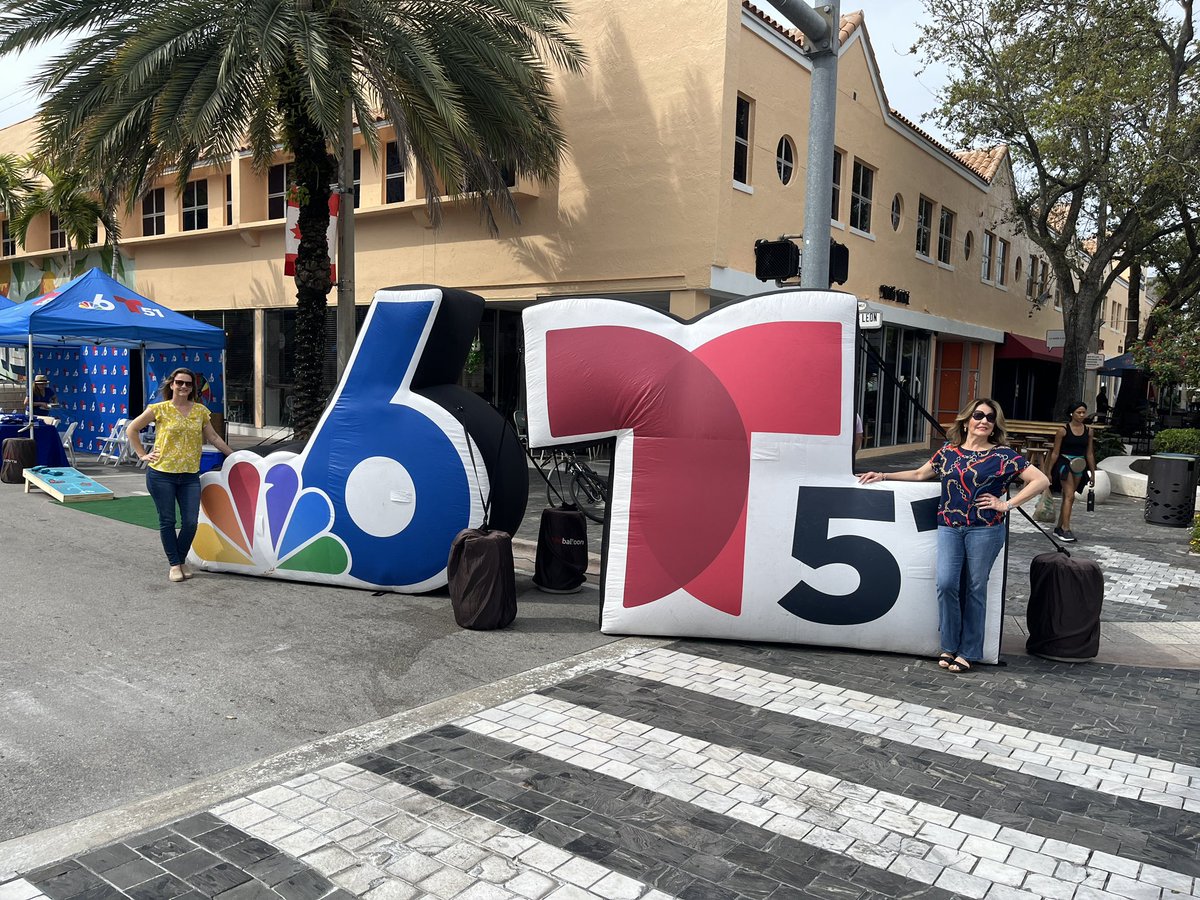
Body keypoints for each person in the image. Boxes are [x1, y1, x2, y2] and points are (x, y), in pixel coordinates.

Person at [858, 398, 1048, 673]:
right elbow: (920, 473)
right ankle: (949, 645)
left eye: (990, 418)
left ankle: (969, 650)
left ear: (995, 425)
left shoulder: (1003, 456)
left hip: (985, 529)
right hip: (949, 525)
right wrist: (884, 475)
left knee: (975, 588)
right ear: (967, 420)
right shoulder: (948, 452)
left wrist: (1006, 504)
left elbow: (1041, 480)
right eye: (979, 415)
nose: (984, 421)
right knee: (946, 584)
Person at [127, 367, 234, 583]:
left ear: (192, 388)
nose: (183, 386)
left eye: (188, 383)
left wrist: (234, 456)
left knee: (190, 522)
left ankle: (180, 558)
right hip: (161, 474)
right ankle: (175, 564)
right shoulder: (159, 409)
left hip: (189, 476)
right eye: (179, 382)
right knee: (167, 520)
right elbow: (132, 429)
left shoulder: (200, 411)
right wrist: (142, 454)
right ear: (171, 384)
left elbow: (213, 437)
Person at [1044, 400, 1096, 543]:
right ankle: (1066, 529)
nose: (1081, 415)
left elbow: (1090, 453)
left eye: (1083, 412)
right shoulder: (1063, 430)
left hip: (1080, 464)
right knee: (1069, 496)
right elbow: (1055, 452)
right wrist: (1048, 472)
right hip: (1064, 463)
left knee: (1069, 496)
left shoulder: (1089, 431)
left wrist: (1093, 472)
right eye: (1078, 412)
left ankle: (1060, 527)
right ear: (1071, 413)